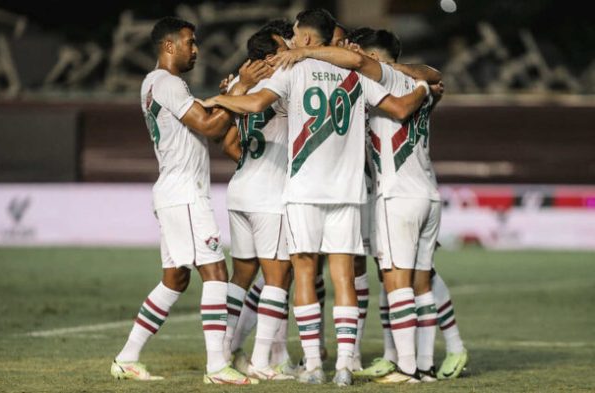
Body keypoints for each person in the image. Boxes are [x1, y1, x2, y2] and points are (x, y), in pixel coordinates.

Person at [199, 8, 437, 386]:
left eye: (295, 34)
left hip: (304, 190)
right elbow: (399, 107)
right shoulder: (356, 72)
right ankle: (345, 364)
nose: (292, 41)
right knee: (344, 276)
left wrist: (220, 98)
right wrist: (424, 89)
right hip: (348, 190)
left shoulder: (293, 68)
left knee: (305, 273)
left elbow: (257, 104)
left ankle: (313, 365)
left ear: (309, 38)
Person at [268, 27, 447, 383]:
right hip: (428, 193)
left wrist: (304, 53)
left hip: (394, 195)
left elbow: (369, 78)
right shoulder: (416, 86)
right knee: (420, 283)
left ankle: (407, 369)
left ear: (375, 59)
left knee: (395, 282)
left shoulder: (373, 76)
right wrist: (425, 86)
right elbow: (433, 76)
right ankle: (423, 365)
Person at [110, 16, 267, 385]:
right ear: (169, 46)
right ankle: (217, 367)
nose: (195, 49)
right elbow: (213, 127)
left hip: (174, 192)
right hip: (185, 194)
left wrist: (232, 96)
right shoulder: (166, 83)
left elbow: (211, 128)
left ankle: (126, 358)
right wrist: (242, 87)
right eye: (189, 42)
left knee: (175, 279)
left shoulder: (160, 86)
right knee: (215, 271)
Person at [219, 27, 296, 381]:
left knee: (242, 275)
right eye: (285, 45)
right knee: (278, 277)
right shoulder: (284, 79)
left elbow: (229, 143)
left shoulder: (238, 81)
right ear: (270, 56)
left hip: (240, 189)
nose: (291, 49)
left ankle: (224, 351)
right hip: (269, 194)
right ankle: (262, 362)